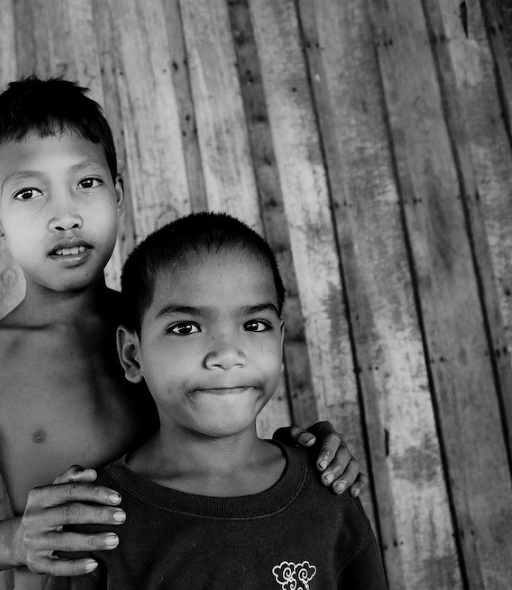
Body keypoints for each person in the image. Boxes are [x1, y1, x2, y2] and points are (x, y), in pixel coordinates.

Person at [0, 77, 366, 590]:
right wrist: (15, 541)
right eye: (28, 192)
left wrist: (306, 457)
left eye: (86, 183)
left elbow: (230, 420)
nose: (64, 216)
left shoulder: (174, 327)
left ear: (118, 192)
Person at [45, 212, 386, 589]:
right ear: (132, 354)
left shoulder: (329, 492)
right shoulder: (97, 523)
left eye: (254, 325)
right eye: (186, 328)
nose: (227, 354)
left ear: (281, 342)